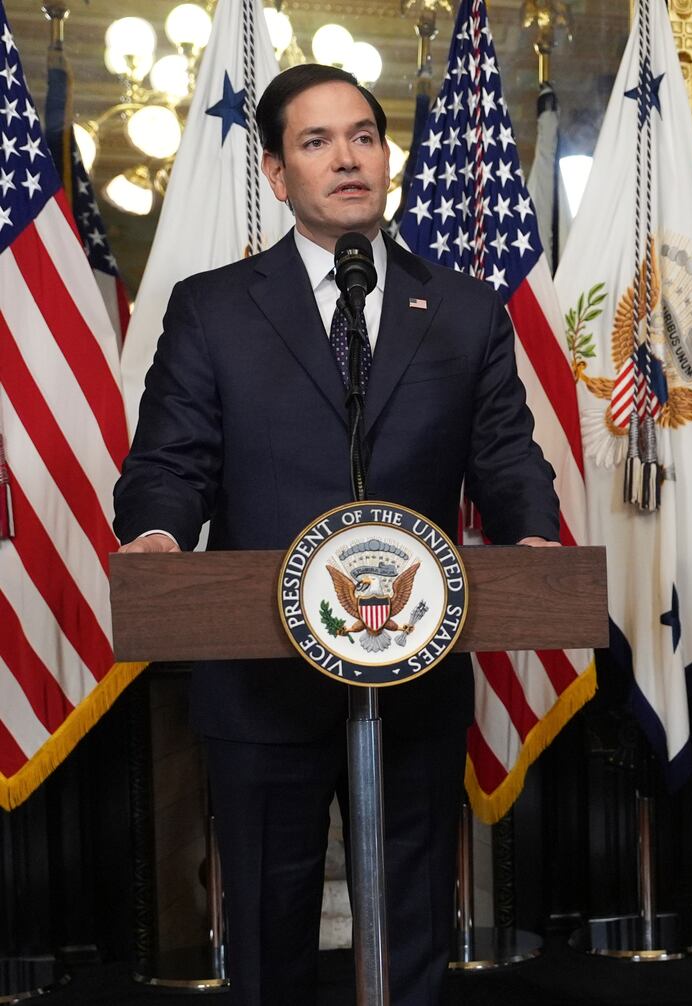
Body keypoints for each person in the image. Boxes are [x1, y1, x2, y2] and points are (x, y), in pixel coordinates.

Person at [112, 64, 560, 1006]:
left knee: (409, 925)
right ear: (277, 174)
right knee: (269, 932)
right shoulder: (214, 307)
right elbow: (171, 462)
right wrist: (156, 534)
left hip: (414, 671)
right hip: (260, 676)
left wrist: (531, 539)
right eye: (316, 142)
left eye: (362, 135)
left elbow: (507, 455)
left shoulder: (468, 309)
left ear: (386, 156)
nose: (347, 159)